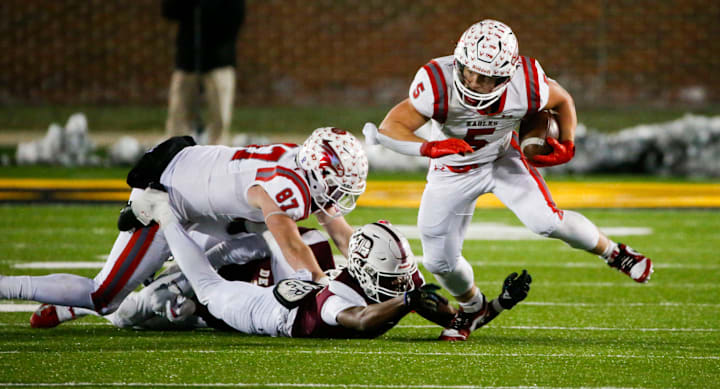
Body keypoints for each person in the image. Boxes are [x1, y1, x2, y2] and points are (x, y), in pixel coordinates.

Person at [363, 19, 653, 342]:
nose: (474, 82)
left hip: (502, 158)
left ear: (507, 74)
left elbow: (562, 101)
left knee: (546, 221)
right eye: (469, 71)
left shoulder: (526, 82)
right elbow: (390, 128)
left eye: (487, 77)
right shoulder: (437, 82)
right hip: (452, 170)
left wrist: (567, 143)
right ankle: (474, 309)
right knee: (438, 261)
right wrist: (430, 146)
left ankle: (615, 253)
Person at [0, 127, 368, 328]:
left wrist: (372, 273)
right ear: (318, 172)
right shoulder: (289, 186)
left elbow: (339, 231)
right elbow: (292, 246)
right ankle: (9, 287)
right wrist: (323, 285)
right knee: (104, 294)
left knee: (236, 246)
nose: (339, 194)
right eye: (336, 183)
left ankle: (83, 308)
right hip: (167, 194)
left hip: (200, 192)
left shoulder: (301, 165)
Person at [119, 204, 531, 338]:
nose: (403, 285)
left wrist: (499, 303)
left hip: (271, 305)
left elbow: (459, 322)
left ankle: (176, 294)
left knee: (182, 306)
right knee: (207, 279)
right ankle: (171, 224)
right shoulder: (343, 299)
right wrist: (405, 300)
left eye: (403, 281)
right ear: (367, 272)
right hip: (281, 302)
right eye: (394, 283)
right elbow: (364, 320)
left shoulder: (395, 280)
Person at [32, 227, 336, 329]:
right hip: (205, 268)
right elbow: (223, 253)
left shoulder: (321, 289)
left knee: (154, 314)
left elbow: (250, 317)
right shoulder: (296, 241)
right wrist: (184, 283)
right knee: (132, 310)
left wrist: (201, 312)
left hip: (222, 308)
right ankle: (79, 306)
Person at [163, 0, 245, 145]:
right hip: (188, 62)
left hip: (219, 62)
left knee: (219, 115)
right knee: (179, 113)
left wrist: (209, 5)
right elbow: (169, 11)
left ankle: (217, 152)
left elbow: (232, 24)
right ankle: (176, 152)